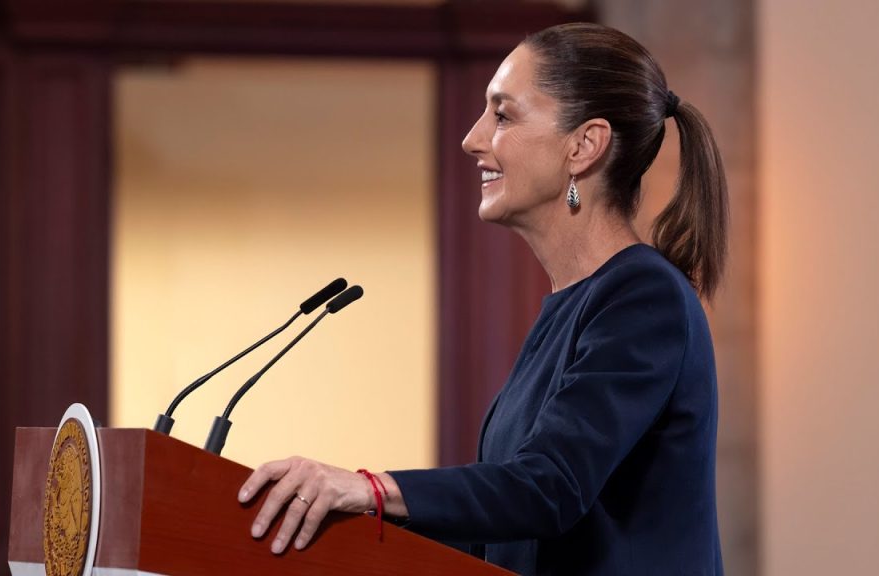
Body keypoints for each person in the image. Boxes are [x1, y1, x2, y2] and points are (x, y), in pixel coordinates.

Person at [237, 22, 727, 576]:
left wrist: (370, 489)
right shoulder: (570, 307)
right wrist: (344, 517)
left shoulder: (643, 297)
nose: (473, 138)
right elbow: (504, 531)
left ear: (584, 145)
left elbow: (550, 488)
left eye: (503, 115)